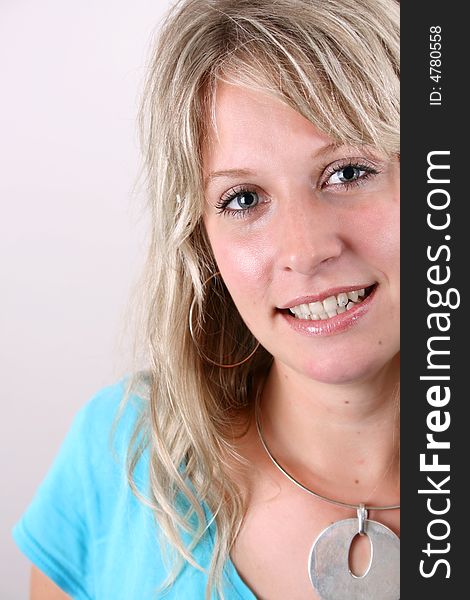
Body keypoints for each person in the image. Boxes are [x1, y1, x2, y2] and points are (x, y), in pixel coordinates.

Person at [13, 0, 400, 598]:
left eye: (348, 171)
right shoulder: (120, 454)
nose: (304, 249)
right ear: (203, 244)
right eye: (243, 199)